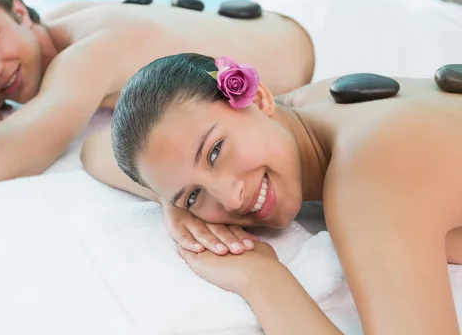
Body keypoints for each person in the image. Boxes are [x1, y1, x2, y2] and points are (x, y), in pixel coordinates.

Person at [0, 0, 462, 259]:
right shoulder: (60, 23)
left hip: (342, 39)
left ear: (18, 12)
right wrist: (174, 194)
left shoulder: (87, 56)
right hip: (286, 15)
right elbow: (102, 147)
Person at [107, 53, 462, 333]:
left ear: (258, 99)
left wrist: (261, 278)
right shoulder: (310, 103)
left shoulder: (370, 177)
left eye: (215, 152)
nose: (231, 199)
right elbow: (95, 150)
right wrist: (173, 204)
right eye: (195, 195)